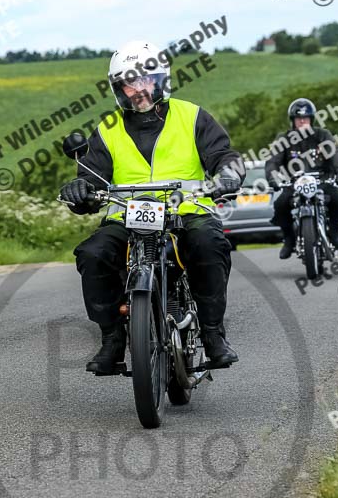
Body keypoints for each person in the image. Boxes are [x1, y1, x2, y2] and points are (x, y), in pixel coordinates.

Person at [59, 40, 246, 373]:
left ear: (160, 80)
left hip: (187, 211)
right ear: (119, 89)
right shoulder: (107, 130)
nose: (137, 90)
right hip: (126, 218)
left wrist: (229, 174)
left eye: (143, 80)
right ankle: (112, 339)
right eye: (128, 84)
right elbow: (93, 178)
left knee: (210, 244)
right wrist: (81, 190)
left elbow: (223, 155)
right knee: (93, 253)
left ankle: (214, 334)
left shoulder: (193, 117)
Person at [265, 97, 338, 259]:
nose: (302, 121)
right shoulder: (284, 139)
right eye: (298, 118)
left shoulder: (322, 135)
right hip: (294, 183)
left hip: (322, 181)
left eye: (305, 118)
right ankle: (289, 240)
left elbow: (335, 154)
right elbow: (273, 161)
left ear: (312, 119)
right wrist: (272, 178)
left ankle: (334, 231)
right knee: (280, 205)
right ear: (293, 120)